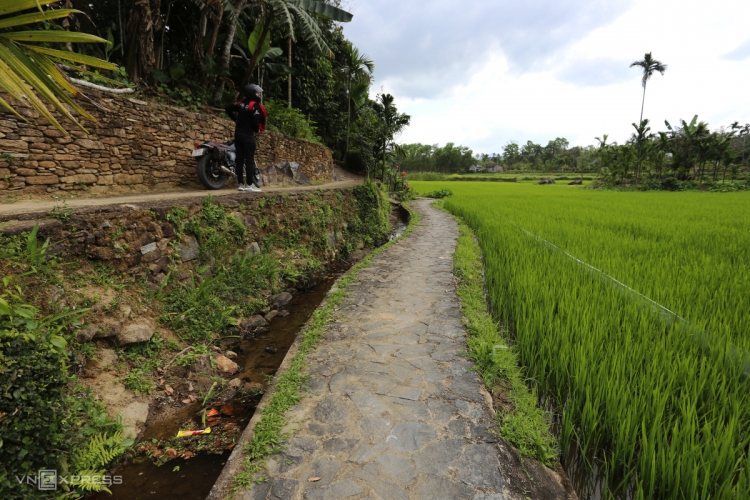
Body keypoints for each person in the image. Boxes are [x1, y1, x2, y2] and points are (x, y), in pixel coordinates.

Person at [225, 84, 267, 192]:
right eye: (256, 92)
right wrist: (257, 129)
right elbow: (255, 122)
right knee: (249, 160)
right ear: (252, 93)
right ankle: (249, 185)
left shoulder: (241, 103)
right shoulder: (254, 106)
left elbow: (228, 108)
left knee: (239, 160)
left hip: (238, 135)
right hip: (248, 136)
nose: (258, 94)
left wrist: (235, 119)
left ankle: (240, 184)